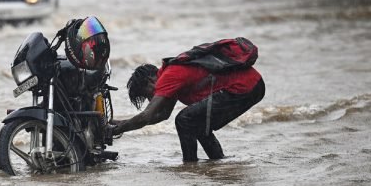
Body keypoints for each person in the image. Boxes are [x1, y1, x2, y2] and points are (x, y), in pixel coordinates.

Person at [110, 54, 265, 162]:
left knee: (184, 119)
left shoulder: (168, 77)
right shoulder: (170, 77)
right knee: (195, 122)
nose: (152, 99)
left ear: (151, 80)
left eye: (148, 95)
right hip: (253, 85)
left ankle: (190, 164)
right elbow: (161, 116)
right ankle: (217, 160)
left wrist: (117, 129)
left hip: (245, 86)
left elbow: (146, 116)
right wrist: (117, 122)